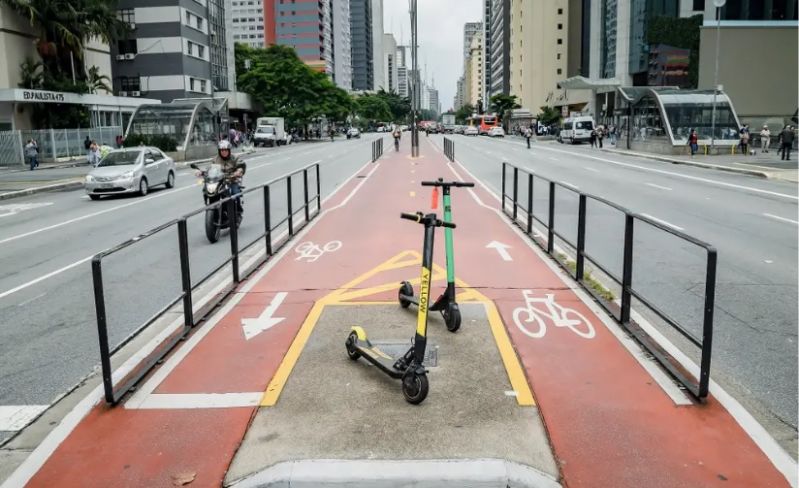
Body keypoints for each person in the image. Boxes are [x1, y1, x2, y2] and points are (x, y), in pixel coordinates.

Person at [214, 140, 246, 213]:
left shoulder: (234, 157)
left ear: (229, 150)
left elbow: (241, 165)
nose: (224, 152)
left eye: (225, 150)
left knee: (235, 192)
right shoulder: (216, 159)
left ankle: (238, 208)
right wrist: (201, 172)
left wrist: (239, 171)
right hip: (219, 181)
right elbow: (211, 168)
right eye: (222, 150)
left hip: (232, 180)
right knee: (212, 193)